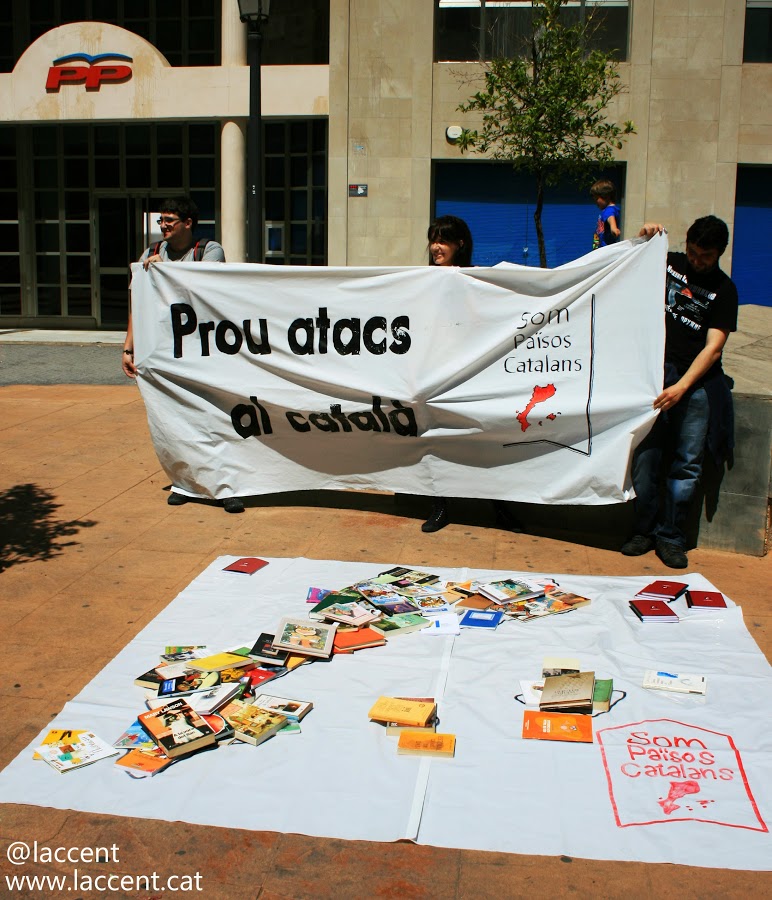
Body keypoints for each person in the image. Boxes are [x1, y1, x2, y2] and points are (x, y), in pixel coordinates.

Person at [621, 215, 738, 569]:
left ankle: (671, 537)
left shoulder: (724, 289)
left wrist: (682, 386)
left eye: (706, 256)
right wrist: (644, 236)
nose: (697, 261)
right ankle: (643, 530)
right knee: (645, 460)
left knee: (686, 465)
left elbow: (713, 347)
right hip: (653, 377)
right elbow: (626, 266)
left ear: (719, 253)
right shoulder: (668, 263)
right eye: (693, 252)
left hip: (696, 384)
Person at [122, 196, 244, 514]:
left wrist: (168, 273)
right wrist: (128, 346)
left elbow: (205, 288)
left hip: (205, 351)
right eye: (161, 220)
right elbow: (138, 302)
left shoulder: (209, 251)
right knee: (175, 420)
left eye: (169, 221)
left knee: (214, 420)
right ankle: (185, 483)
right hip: (166, 353)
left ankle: (227, 486)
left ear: (187, 223)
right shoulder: (150, 253)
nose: (163, 226)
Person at [421, 215, 522, 535]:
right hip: (432, 373)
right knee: (434, 442)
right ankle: (440, 506)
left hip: (470, 374)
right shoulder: (418, 281)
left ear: (460, 244)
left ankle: (501, 506)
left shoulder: (475, 279)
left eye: (443, 240)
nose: (436, 246)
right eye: (433, 239)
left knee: (485, 440)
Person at [590, 179, 621, 250]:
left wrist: (613, 228)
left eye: (597, 198)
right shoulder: (605, 210)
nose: (595, 202)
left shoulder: (610, 209)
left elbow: (610, 217)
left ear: (606, 196)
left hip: (605, 249)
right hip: (600, 249)